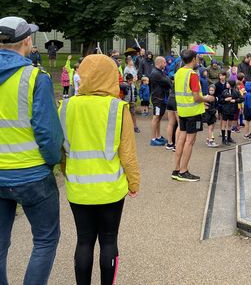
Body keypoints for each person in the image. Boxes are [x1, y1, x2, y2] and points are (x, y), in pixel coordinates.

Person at [58, 54, 140, 285]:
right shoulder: (117, 107)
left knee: (83, 240)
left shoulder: (66, 106)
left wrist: (67, 173)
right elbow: (127, 152)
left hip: (78, 187)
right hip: (110, 188)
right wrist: (133, 182)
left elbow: (61, 149)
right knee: (108, 240)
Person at [0, 17, 63, 285]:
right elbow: (48, 132)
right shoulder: (35, 77)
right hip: (33, 173)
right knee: (45, 240)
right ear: (27, 41)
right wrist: (51, 162)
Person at [173, 49, 215, 181]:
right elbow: (196, 97)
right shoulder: (192, 75)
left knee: (181, 139)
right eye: (197, 58)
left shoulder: (179, 72)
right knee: (190, 142)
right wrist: (207, 99)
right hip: (193, 112)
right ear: (193, 59)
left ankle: (176, 169)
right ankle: (184, 171)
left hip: (182, 110)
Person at [149, 57, 172, 146]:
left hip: (161, 98)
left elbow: (168, 80)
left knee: (158, 118)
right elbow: (168, 82)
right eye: (165, 63)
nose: (166, 64)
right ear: (160, 63)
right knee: (156, 117)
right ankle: (153, 138)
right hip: (157, 99)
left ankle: (158, 136)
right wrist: (168, 80)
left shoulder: (159, 72)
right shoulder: (155, 73)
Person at [219, 80, 244, 145]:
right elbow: (220, 100)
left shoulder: (236, 92)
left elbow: (242, 99)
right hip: (225, 110)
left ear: (231, 84)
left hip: (232, 110)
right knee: (224, 124)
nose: (226, 84)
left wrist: (235, 100)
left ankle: (229, 138)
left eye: (228, 83)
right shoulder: (224, 91)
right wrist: (225, 99)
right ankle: (223, 139)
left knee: (230, 124)